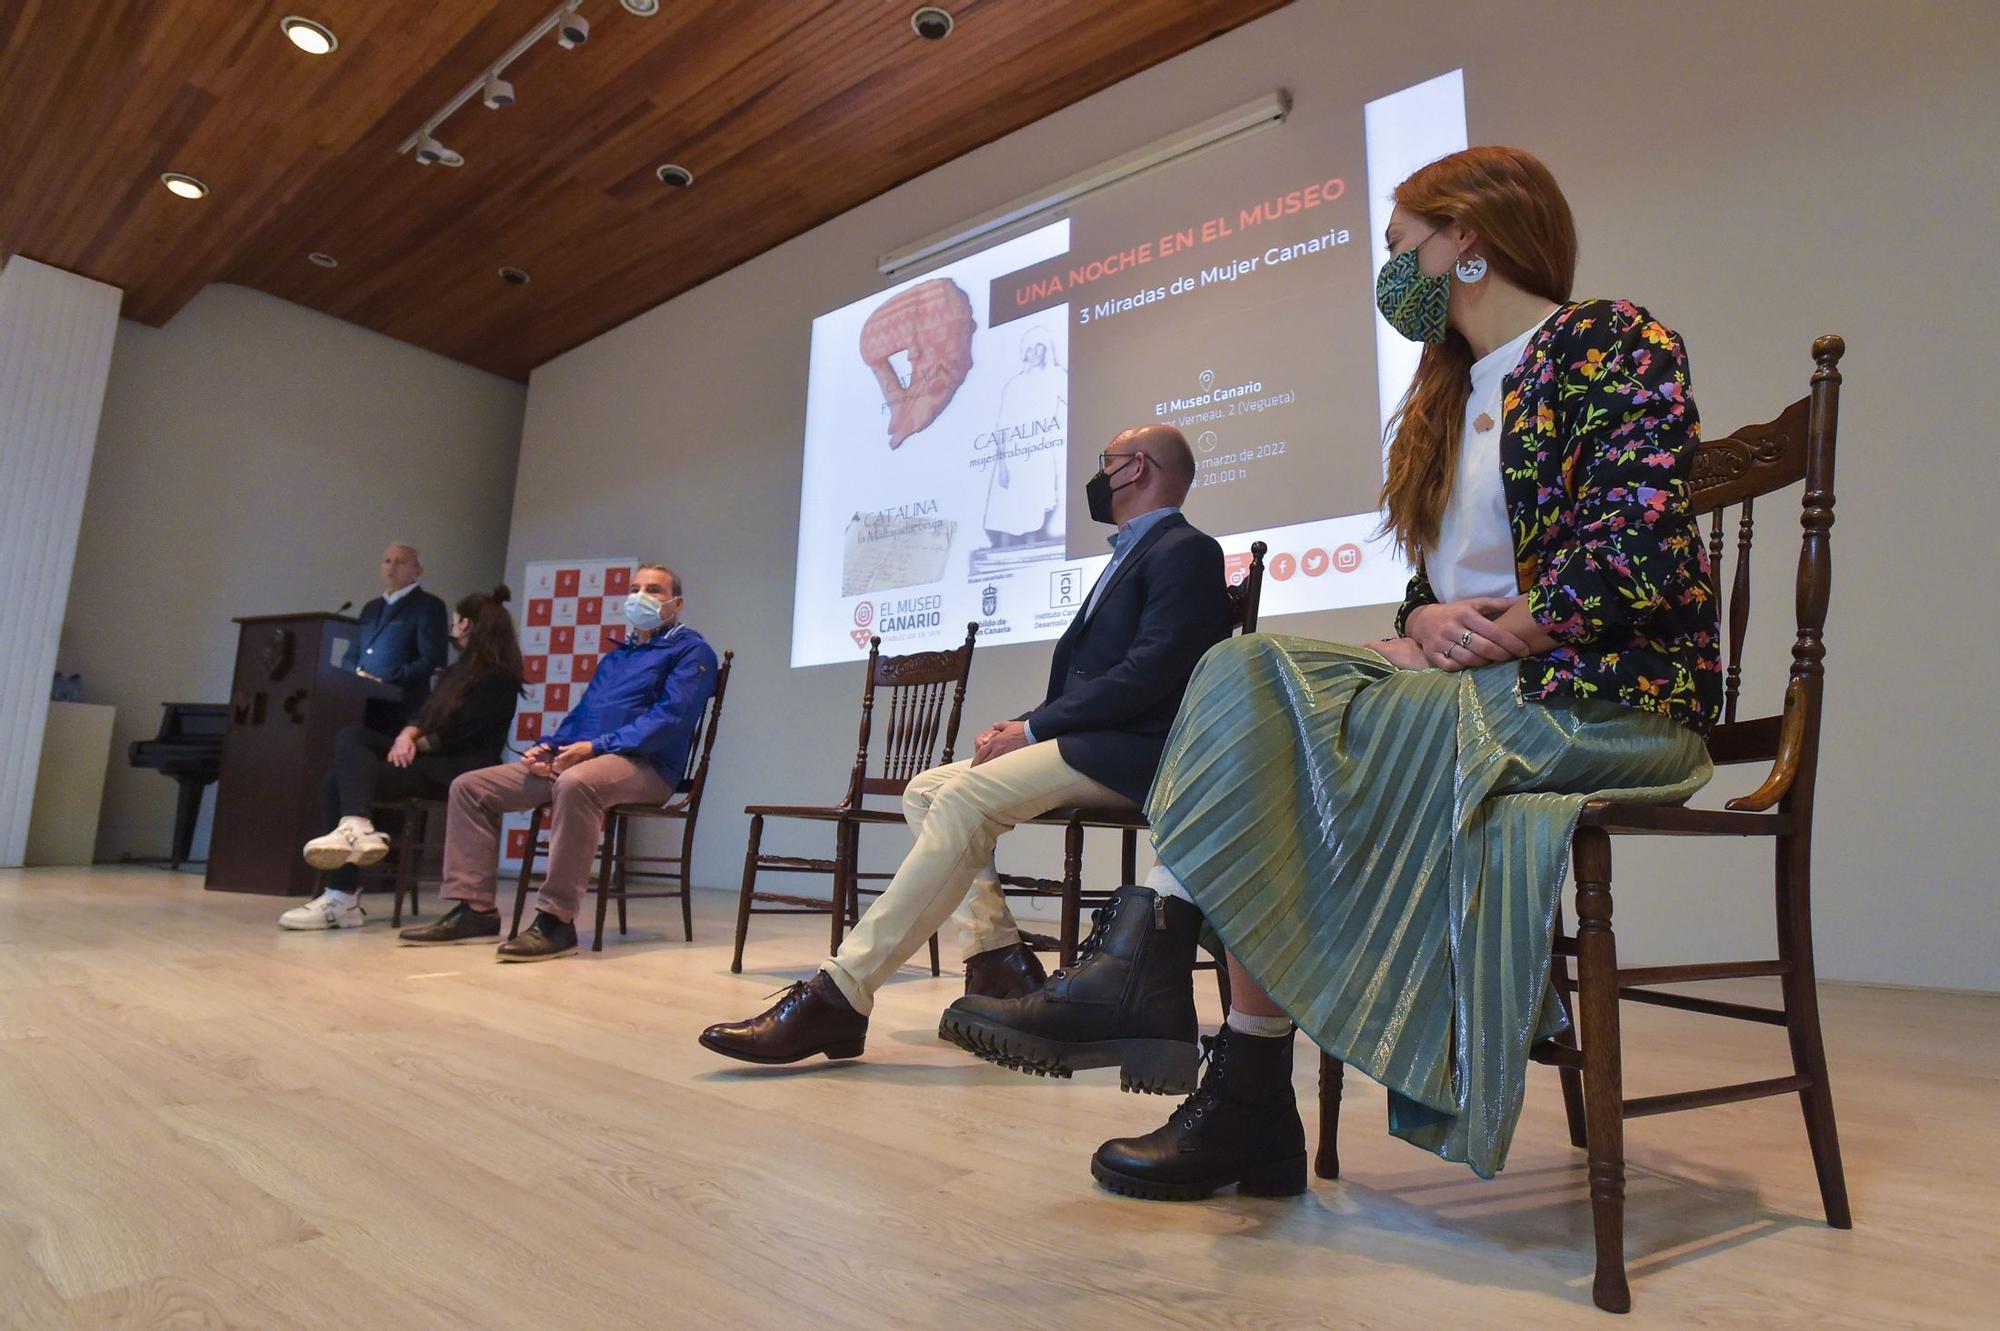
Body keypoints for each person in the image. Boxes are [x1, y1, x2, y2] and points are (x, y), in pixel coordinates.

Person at [941, 146, 1722, 1199]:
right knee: (1247, 671)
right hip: (1471, 690)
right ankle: (1208, 1043)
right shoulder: (1444, 395)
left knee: (1272, 711)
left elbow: (1646, 540)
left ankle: (1190, 1018)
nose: (1392, 268)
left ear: (1468, 238)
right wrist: (1425, 617)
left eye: (1403, 245)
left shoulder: (1605, 340)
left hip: (1592, 696)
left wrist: (1520, 624)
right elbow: (1435, 590)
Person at [698, 424, 1233, 1065]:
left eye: (1107, 462)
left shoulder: (1185, 550)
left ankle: (839, 993)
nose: (1098, 475)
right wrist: (1022, 723)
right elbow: (1102, 678)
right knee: (929, 789)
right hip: (1095, 740)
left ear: (1136, 468)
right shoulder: (1133, 554)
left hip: (1135, 754)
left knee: (963, 800)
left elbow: (1153, 673)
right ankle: (997, 959)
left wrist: (1034, 730)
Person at [398, 564, 717, 963]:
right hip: (588, 757)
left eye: (653, 590)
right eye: (634, 588)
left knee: (576, 783)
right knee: (470, 787)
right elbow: (582, 714)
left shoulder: (692, 651)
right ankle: (474, 909)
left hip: (646, 768)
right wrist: (549, 746)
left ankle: (556, 921)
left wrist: (595, 747)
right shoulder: (618, 656)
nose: (640, 597)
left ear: (677, 603)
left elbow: (669, 720)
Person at [284, 587, 524, 929]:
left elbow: (463, 734)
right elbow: (425, 714)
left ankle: (343, 895)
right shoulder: (458, 670)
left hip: (457, 769)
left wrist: (415, 744)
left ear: (465, 624)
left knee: (336, 782)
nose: (451, 627)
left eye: (455, 621)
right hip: (428, 756)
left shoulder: (499, 676)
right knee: (352, 737)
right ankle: (357, 826)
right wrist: (406, 734)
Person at [345, 543, 450, 730]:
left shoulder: (428, 605)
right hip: (360, 703)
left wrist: (385, 679)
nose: (391, 567)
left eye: (400, 562)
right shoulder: (371, 608)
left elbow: (431, 659)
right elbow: (351, 654)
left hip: (402, 707)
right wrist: (356, 676)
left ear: (417, 570)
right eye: (387, 561)